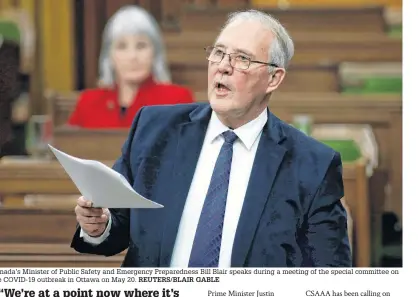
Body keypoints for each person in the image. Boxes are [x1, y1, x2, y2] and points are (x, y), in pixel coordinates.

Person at [71, 9, 352, 267]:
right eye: (218, 53)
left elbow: (328, 276)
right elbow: (117, 222)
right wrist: (100, 226)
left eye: (242, 58)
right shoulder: (154, 129)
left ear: (274, 78)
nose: (223, 66)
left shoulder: (313, 166)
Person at [67, 6, 194, 129]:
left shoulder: (178, 100)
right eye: (122, 46)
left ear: (155, 53)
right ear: (109, 56)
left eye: (141, 46)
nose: (132, 56)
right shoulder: (88, 102)